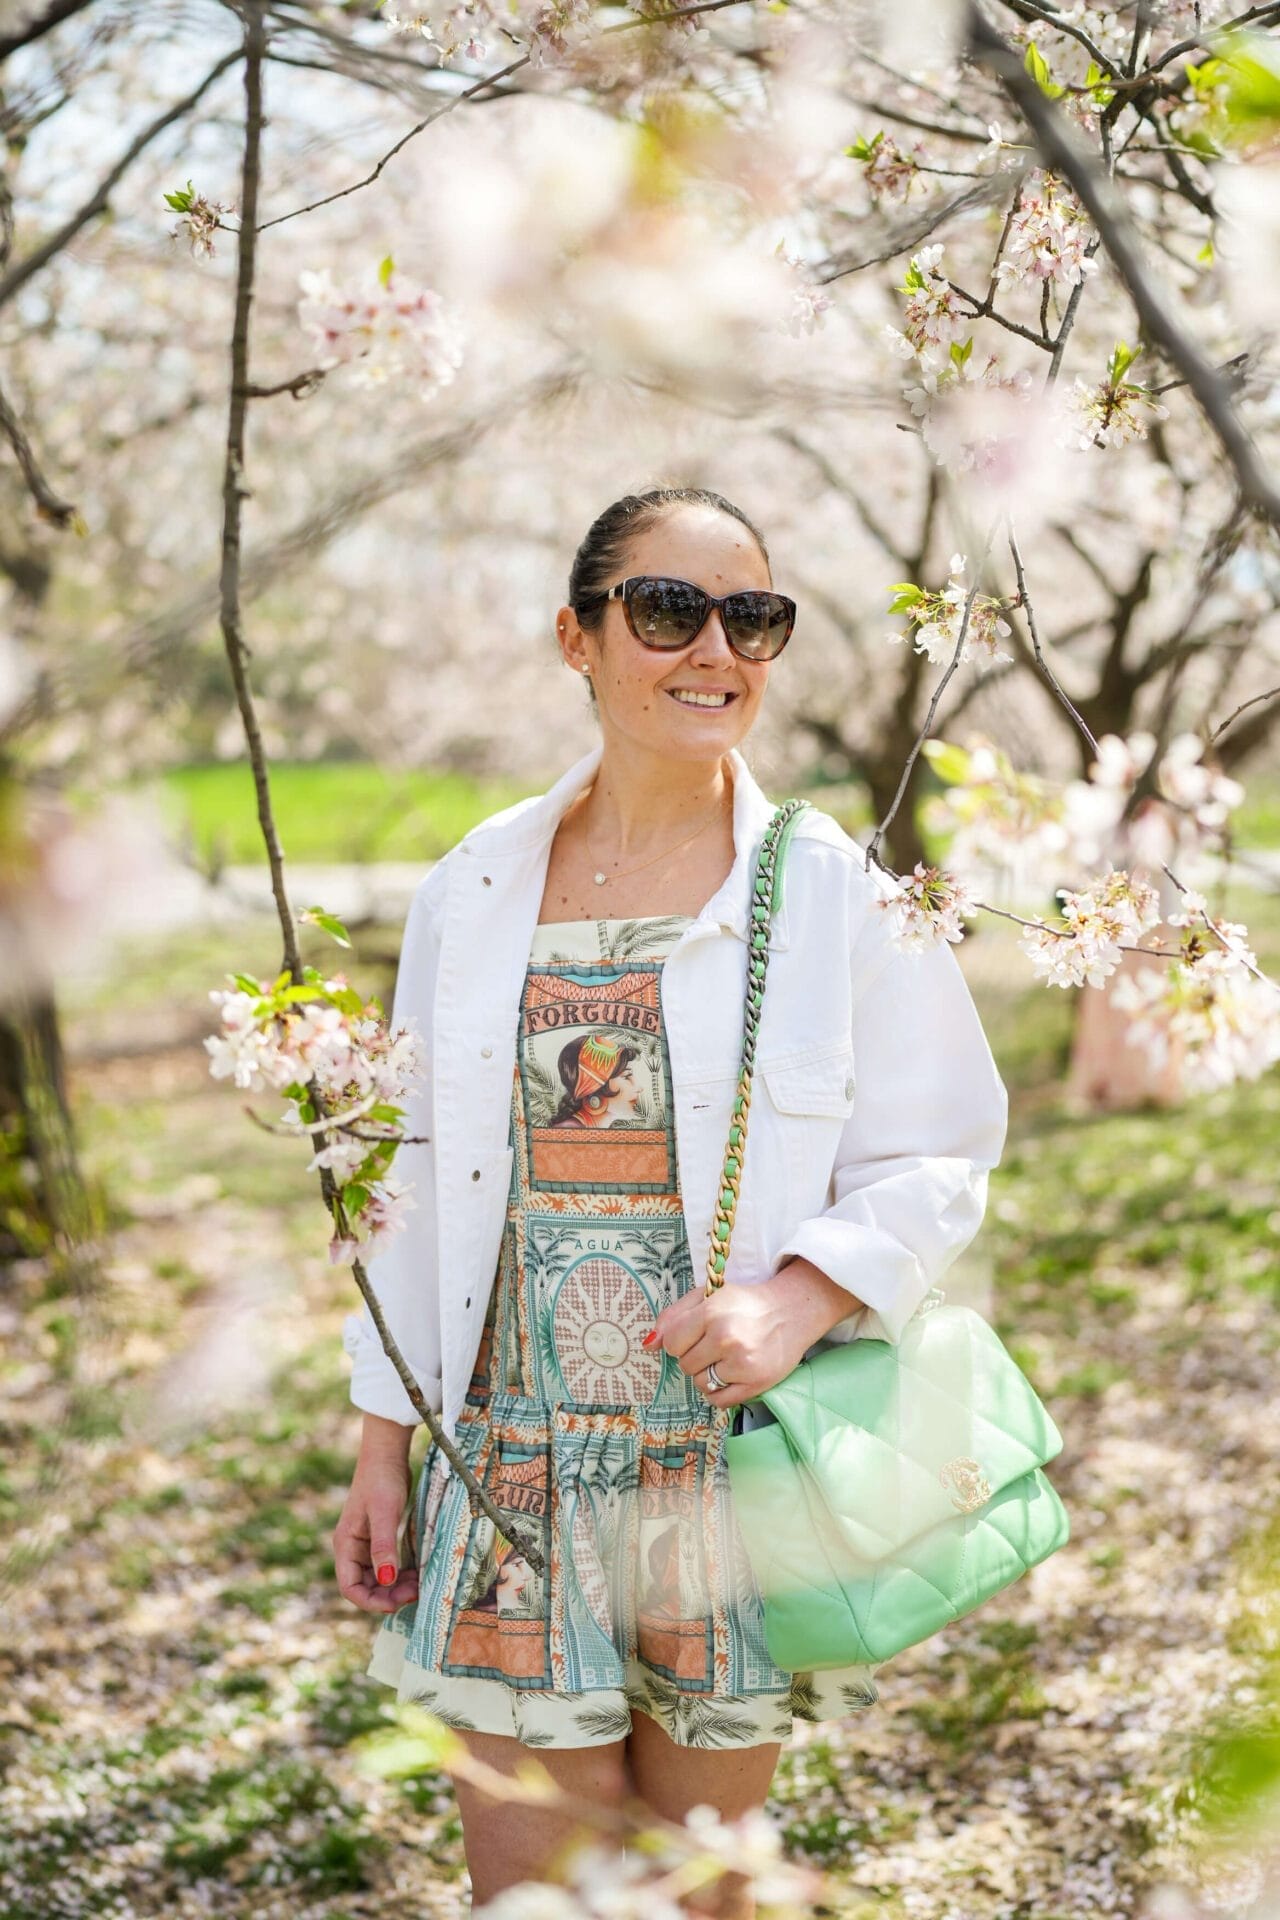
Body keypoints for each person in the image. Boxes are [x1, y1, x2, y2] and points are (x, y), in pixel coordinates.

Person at [333, 486, 1009, 1914]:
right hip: (507, 1457)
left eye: (751, 617)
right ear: (577, 639)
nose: (717, 648)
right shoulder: (476, 884)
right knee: (535, 1886)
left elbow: (945, 1145)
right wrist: (382, 1435)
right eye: (667, 610)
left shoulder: (828, 890)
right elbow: (414, 1164)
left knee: (703, 1890)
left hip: (713, 1465)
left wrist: (800, 1296)